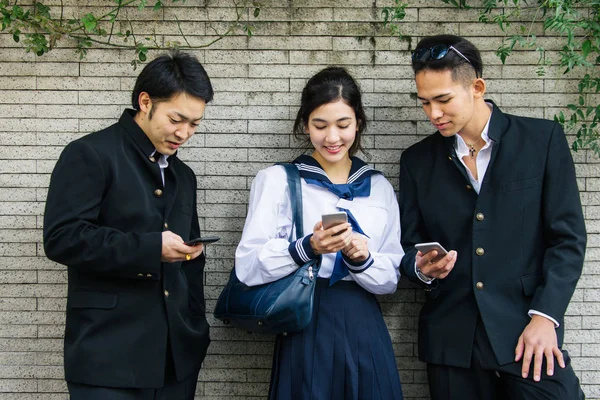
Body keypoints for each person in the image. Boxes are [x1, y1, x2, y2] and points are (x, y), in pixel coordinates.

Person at [398, 34, 587, 400]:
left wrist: (546, 317)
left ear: (477, 87)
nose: (433, 114)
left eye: (443, 100)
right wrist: (423, 268)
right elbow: (408, 245)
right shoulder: (417, 161)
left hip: (526, 332)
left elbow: (567, 240)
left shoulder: (542, 139)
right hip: (452, 340)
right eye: (424, 103)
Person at [43, 51, 213, 400]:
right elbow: (62, 238)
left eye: (194, 124)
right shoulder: (90, 153)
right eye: (177, 119)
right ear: (145, 101)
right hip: (107, 356)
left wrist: (196, 323)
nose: (184, 133)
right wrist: (152, 248)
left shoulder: (184, 176)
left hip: (176, 359)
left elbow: (192, 268)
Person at [235, 67, 404, 399]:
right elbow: (248, 266)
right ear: (304, 124)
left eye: (343, 125)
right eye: (320, 125)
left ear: (359, 123)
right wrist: (308, 247)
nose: (332, 138)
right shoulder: (278, 181)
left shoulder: (379, 187)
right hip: (306, 318)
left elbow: (390, 280)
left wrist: (361, 259)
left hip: (363, 322)